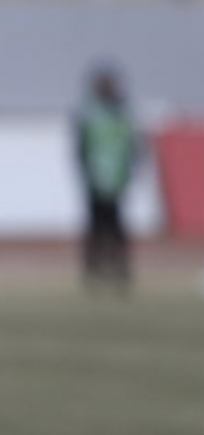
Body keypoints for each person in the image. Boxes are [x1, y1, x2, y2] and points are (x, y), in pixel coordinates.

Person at [75, 64, 138, 294]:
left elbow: (132, 148)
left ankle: (120, 269)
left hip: (117, 180)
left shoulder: (123, 114)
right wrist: (85, 173)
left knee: (117, 226)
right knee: (96, 226)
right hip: (95, 180)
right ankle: (94, 269)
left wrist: (129, 173)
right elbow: (81, 148)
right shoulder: (89, 114)